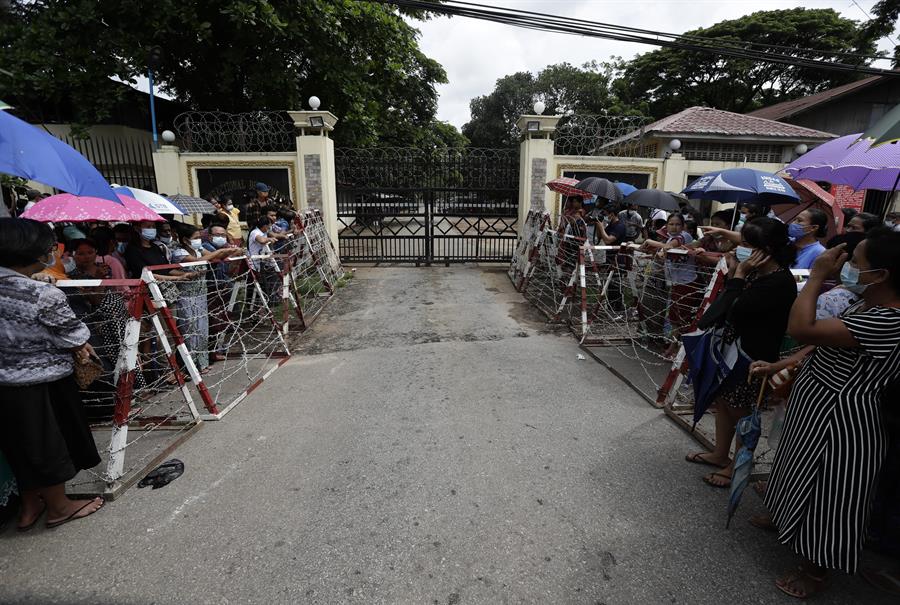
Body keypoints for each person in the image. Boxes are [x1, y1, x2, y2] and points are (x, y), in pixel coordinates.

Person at [761, 228, 900, 598]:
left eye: (856, 262)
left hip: (846, 420)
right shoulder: (866, 302)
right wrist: (789, 362)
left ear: (883, 274)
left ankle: (816, 570)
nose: (847, 267)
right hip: (818, 405)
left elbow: (802, 327)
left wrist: (819, 274)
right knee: (796, 467)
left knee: (833, 493)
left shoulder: (891, 320)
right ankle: (787, 522)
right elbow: (823, 339)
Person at [0, 218, 105, 530]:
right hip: (42, 380)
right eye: (49, 248)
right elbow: (74, 335)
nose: (53, 252)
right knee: (48, 444)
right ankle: (60, 507)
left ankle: (29, 506)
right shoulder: (42, 294)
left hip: (4, 383)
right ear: (30, 251)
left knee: (18, 444)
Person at [684, 218, 797, 488]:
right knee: (723, 403)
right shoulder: (760, 271)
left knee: (740, 411)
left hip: (752, 357)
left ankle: (738, 464)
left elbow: (734, 308)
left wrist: (737, 275)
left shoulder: (778, 282)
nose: (738, 249)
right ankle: (720, 453)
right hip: (730, 351)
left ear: (764, 250)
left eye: (746, 245)